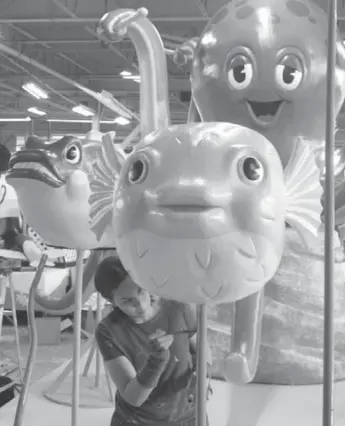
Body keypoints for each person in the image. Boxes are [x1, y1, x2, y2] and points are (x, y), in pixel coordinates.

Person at [94, 255, 212, 426]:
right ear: (111, 301)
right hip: (137, 421)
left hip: (189, 417)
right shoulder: (108, 331)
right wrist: (156, 361)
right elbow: (134, 397)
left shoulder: (177, 307)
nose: (141, 305)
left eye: (141, 290)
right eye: (127, 301)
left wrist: (202, 378)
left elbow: (202, 349)